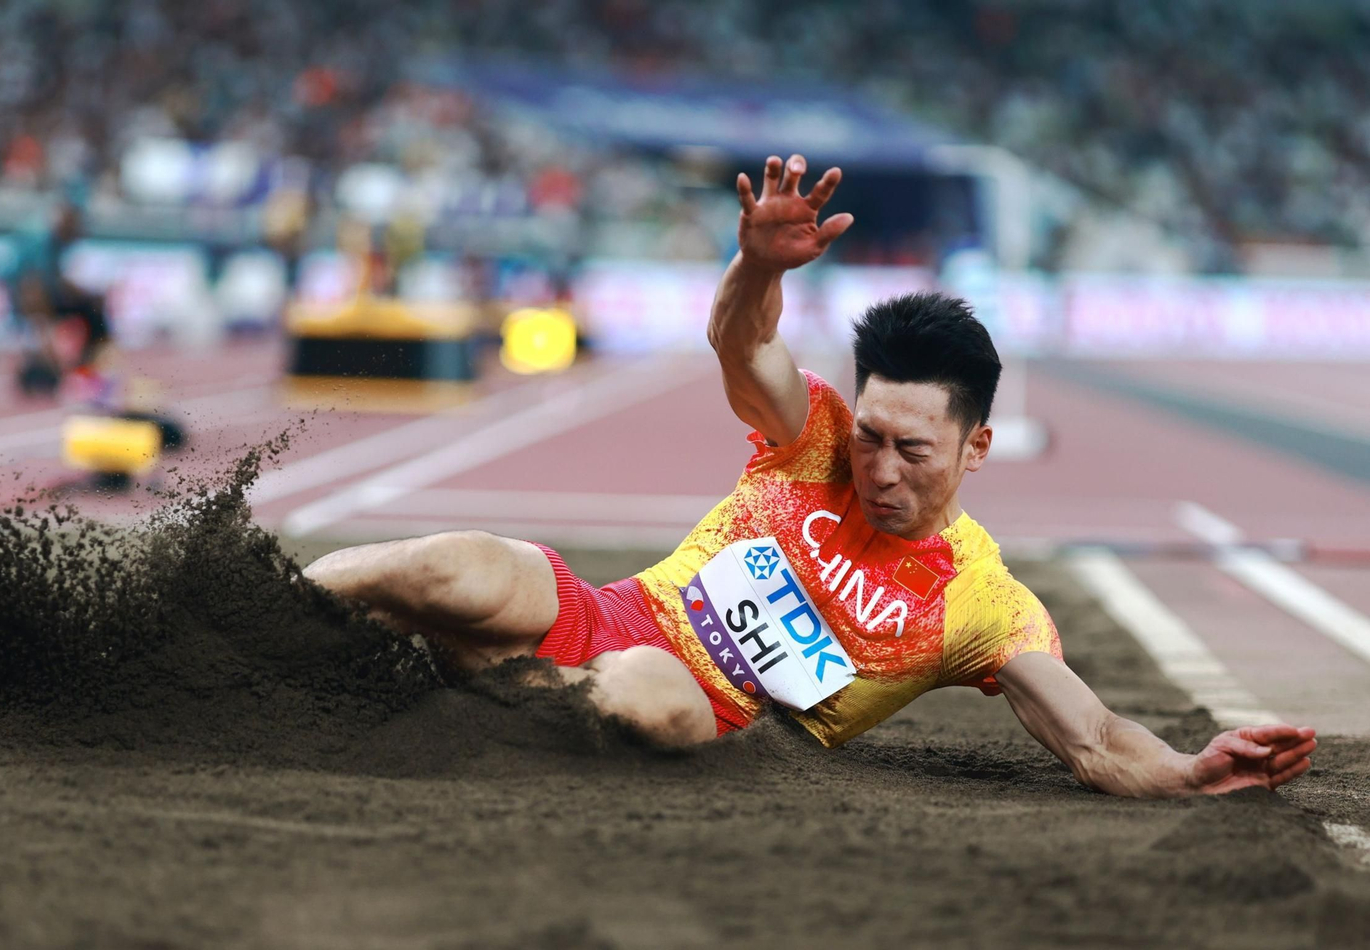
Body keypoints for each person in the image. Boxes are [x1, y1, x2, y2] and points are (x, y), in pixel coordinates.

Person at [304, 154, 1316, 799]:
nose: (877, 468)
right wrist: (757, 269)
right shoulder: (817, 437)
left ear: (976, 450)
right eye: (872, 434)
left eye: (912, 451)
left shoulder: (982, 603)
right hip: (604, 612)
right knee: (455, 566)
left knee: (648, 697)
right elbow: (743, 347)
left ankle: (456, 686)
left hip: (711, 711)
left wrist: (1189, 771)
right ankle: (239, 606)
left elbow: (1092, 734)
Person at [2, 191, 111, 397]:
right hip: (25, 300)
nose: (78, 234)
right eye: (76, 228)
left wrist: (85, 294)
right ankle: (77, 370)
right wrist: (44, 325)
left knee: (94, 309)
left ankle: (86, 368)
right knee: (91, 312)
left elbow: (56, 280)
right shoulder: (39, 240)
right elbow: (30, 287)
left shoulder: (55, 239)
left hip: (42, 296)